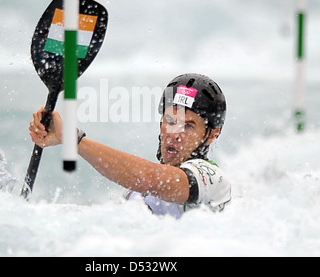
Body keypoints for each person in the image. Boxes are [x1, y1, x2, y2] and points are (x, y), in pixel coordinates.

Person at [29, 73, 231, 219]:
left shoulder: (213, 181)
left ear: (212, 134)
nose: (174, 134)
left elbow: (150, 179)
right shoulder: (136, 195)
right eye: (170, 120)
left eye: (188, 126)